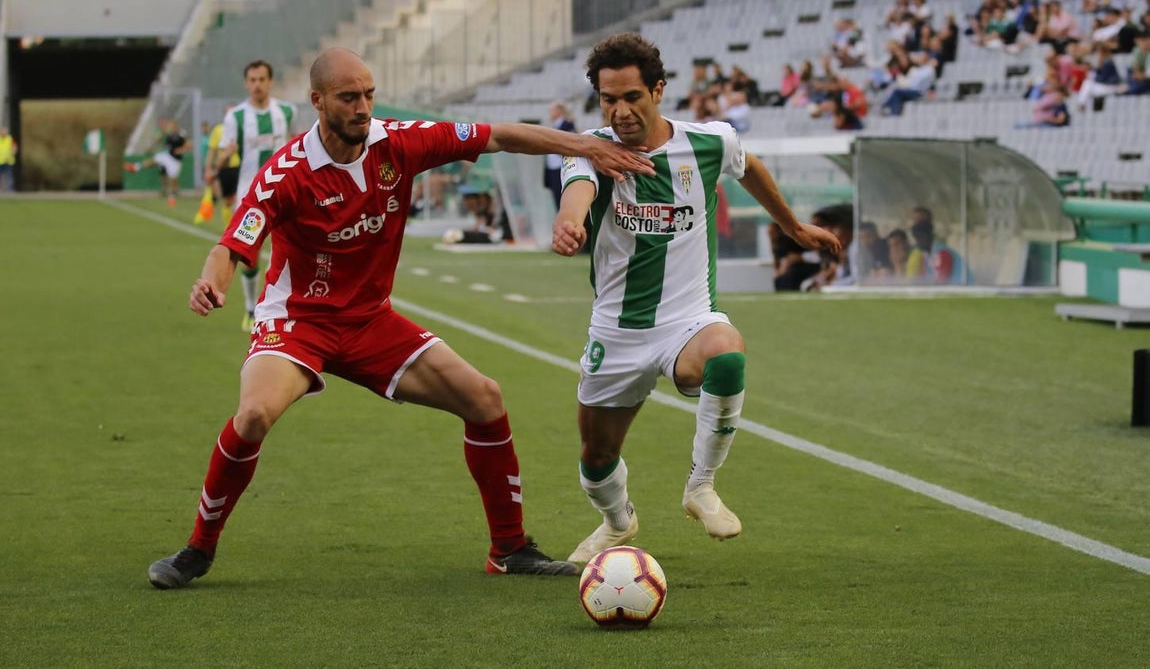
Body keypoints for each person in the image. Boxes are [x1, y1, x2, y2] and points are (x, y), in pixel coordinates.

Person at [145, 47, 655, 590]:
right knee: (252, 417)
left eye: (368, 93)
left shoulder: (400, 141)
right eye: (348, 97)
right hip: (298, 323)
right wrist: (211, 282)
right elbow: (234, 243)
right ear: (317, 102)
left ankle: (508, 548)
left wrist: (584, 145)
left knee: (484, 398)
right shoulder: (287, 173)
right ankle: (197, 549)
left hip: (370, 322)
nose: (363, 107)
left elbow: (498, 135)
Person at [549, 33, 840, 564]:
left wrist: (793, 226)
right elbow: (578, 190)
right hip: (617, 330)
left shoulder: (708, 143)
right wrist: (570, 223)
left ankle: (700, 486)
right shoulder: (591, 146)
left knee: (727, 352)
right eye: (608, 99)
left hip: (689, 320)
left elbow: (748, 166)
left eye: (631, 96)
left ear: (658, 90)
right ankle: (617, 522)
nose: (620, 111)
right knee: (596, 456)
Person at [216, 60, 299, 332]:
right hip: (250, 199)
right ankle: (251, 307)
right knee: (248, 255)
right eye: (252, 80)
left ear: (270, 81)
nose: (257, 85)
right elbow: (224, 152)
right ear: (245, 83)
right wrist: (221, 159)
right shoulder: (236, 117)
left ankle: (291, 307)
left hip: (286, 196)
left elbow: (297, 144)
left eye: (262, 79)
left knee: (293, 251)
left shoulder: (287, 112)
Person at [124, 118, 190, 207]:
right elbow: (161, 140)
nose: (171, 127)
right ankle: (135, 167)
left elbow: (188, 146)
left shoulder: (181, 135)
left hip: (175, 160)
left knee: (173, 179)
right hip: (167, 156)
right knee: (154, 160)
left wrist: (180, 150)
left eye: (173, 125)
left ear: (176, 126)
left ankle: (172, 197)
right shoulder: (168, 135)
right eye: (170, 125)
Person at [204, 110, 242, 220]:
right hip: (225, 168)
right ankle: (228, 228)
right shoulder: (218, 129)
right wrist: (208, 168)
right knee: (227, 200)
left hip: (240, 166)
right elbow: (212, 150)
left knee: (239, 198)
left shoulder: (243, 128)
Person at [543, 100, 576, 211]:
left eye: (552, 110)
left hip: (562, 168)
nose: (550, 113)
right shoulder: (553, 126)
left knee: (564, 198)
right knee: (556, 198)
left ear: (559, 111)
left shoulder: (567, 125)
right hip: (552, 169)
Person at [0, 126, 17, 192]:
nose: (3, 132)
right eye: (2, 131)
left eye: (5, 131)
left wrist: (12, 153)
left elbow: (14, 147)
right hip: (0, 161)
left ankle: (10, 189)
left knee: (9, 176)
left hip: (8, 161)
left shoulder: (10, 139)